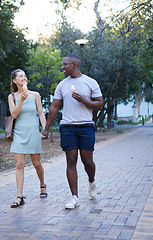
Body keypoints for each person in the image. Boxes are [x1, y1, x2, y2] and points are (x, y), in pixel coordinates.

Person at [42, 54, 104, 209]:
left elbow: (100, 104)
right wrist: (46, 128)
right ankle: (74, 197)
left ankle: (91, 180)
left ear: (75, 65)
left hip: (86, 126)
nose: (62, 67)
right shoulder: (62, 85)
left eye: (65, 64)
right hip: (67, 126)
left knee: (87, 161)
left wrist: (84, 100)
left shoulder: (90, 82)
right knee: (71, 160)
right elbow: (54, 107)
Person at [8, 69, 47, 208]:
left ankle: (42, 184)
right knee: (19, 165)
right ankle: (19, 196)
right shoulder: (12, 96)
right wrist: (21, 100)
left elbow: (41, 113)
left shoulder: (35, 95)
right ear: (14, 80)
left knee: (37, 164)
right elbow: (14, 114)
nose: (24, 77)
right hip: (19, 134)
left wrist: (45, 128)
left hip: (33, 134)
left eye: (25, 75)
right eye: (20, 76)